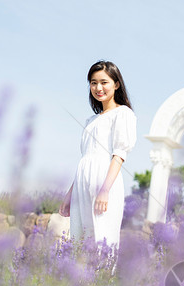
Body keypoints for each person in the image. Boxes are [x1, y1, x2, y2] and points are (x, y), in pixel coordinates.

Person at [59, 60, 137, 264]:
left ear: (116, 84)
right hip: (82, 182)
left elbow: (119, 154)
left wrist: (105, 189)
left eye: (104, 82)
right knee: (80, 237)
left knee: (103, 236)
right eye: (93, 83)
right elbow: (86, 158)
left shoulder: (123, 114)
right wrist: (69, 194)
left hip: (105, 180)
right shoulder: (90, 121)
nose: (98, 88)